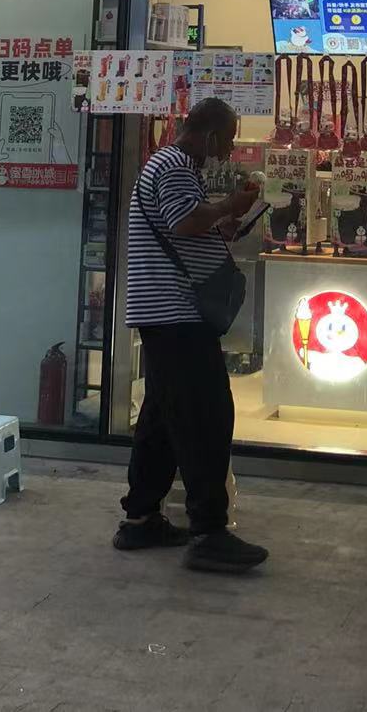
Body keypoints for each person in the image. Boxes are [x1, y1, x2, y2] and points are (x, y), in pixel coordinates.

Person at [114, 97, 269, 573]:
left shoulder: (169, 166)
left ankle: (141, 518)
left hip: (165, 314)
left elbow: (182, 224)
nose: (227, 152)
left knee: (163, 418)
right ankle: (208, 532)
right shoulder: (176, 165)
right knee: (206, 416)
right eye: (226, 141)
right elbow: (183, 222)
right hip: (176, 314)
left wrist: (222, 221)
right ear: (209, 134)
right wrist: (229, 205)